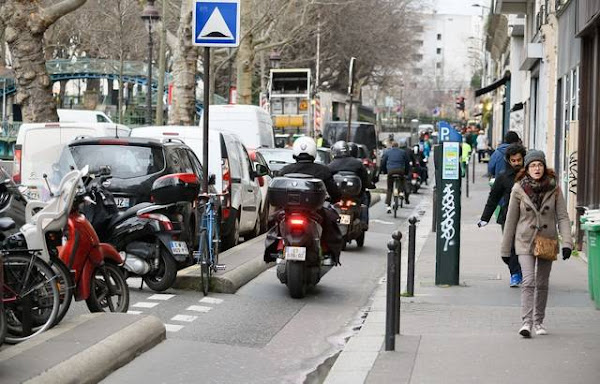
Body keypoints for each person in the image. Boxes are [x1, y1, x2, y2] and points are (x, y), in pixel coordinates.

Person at [501, 150, 573, 338]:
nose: (537, 168)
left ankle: (539, 321)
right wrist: (505, 249)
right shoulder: (519, 188)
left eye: (540, 165)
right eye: (533, 165)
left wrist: (567, 243)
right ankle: (526, 323)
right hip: (524, 240)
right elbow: (510, 220)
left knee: (542, 283)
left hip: (547, 241)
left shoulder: (554, 187)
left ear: (544, 167)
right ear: (527, 168)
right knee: (528, 281)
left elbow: (563, 217)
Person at [272, 137, 343, 264]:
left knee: (275, 221)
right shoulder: (323, 170)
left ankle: (277, 249)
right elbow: (334, 192)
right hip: (315, 211)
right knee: (330, 224)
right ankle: (328, 254)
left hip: (289, 211)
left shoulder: (285, 170)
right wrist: (335, 198)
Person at [478, 143, 526, 287]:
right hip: (508, 217)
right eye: (514, 161)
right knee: (509, 247)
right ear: (509, 161)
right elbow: (493, 198)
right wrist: (484, 218)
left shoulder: (530, 174)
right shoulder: (503, 176)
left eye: (519, 160)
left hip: (528, 218)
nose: (516, 163)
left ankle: (524, 271)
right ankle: (515, 274)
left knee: (524, 247)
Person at [328, 141, 372, 227]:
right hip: (354, 195)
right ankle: (363, 221)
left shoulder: (331, 165)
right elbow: (364, 178)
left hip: (337, 196)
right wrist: (366, 186)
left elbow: (327, 180)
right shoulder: (357, 163)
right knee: (364, 200)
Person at [381, 140, 412, 213]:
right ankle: (401, 192)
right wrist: (406, 172)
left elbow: (383, 162)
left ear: (392, 146)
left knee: (389, 188)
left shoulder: (387, 152)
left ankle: (388, 206)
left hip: (390, 171)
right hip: (400, 171)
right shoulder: (403, 152)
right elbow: (407, 163)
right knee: (402, 179)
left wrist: (384, 171)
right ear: (398, 146)